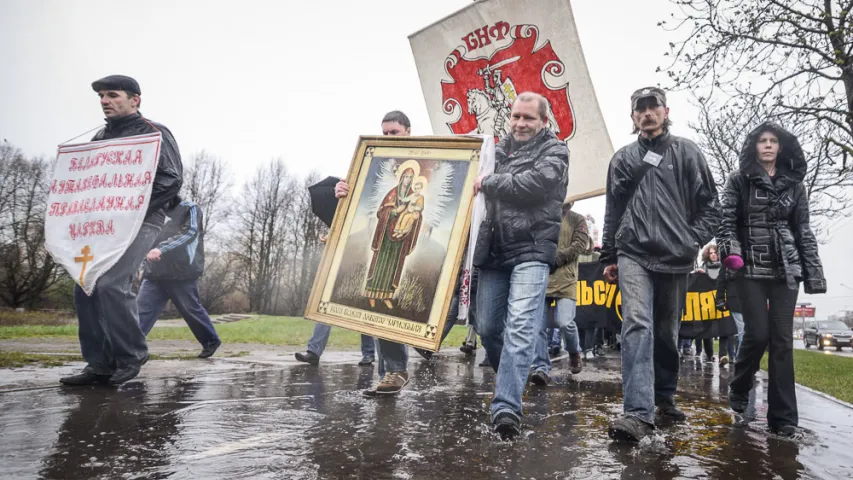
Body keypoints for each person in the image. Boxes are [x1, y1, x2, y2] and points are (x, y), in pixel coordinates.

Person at [600, 87, 720, 442]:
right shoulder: (622, 159)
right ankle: (637, 413)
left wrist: (689, 239)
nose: (647, 113)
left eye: (653, 107)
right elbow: (613, 212)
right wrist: (610, 255)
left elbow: (711, 208)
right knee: (637, 323)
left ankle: (664, 397)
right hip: (633, 251)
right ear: (633, 116)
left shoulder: (687, 152)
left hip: (675, 256)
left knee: (667, 333)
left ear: (666, 111)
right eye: (641, 109)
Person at [61, 75, 183, 386]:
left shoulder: (153, 132)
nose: (105, 101)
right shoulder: (100, 136)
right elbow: (90, 181)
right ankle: (99, 364)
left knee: (114, 284)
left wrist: (131, 210)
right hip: (103, 224)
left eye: (112, 95)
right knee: (85, 286)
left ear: (134, 99)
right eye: (101, 96)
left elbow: (171, 179)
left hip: (144, 220)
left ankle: (130, 356)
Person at [716, 121, 826, 437]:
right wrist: (731, 252)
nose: (767, 145)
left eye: (772, 141)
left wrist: (813, 272)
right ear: (754, 146)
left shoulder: (795, 185)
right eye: (762, 141)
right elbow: (726, 222)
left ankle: (783, 419)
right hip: (748, 266)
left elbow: (803, 229)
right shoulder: (738, 181)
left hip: (785, 268)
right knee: (758, 333)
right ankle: (740, 383)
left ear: (781, 147)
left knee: (782, 341)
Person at [472, 92, 569, 440]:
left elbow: (536, 185)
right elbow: (467, 173)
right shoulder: (493, 152)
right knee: (485, 327)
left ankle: (506, 407)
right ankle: (512, 374)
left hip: (531, 249)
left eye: (528, 118)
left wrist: (490, 182)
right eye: (515, 116)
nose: (520, 123)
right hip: (495, 252)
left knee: (521, 326)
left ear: (544, 121)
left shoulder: (556, 151)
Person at [332, 110, 414, 396]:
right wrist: (343, 191)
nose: (388, 137)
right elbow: (368, 201)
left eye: (395, 132)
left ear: (408, 132)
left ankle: (395, 370)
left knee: (391, 305)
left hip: (400, 242)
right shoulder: (372, 161)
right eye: (385, 132)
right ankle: (387, 374)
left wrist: (405, 215)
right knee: (375, 307)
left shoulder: (431, 156)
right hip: (381, 238)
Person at [137, 199, 221, 358]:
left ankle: (210, 341)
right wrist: (142, 265)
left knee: (191, 310)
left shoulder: (190, 209)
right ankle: (131, 349)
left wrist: (161, 249)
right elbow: (146, 240)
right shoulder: (153, 212)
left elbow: (190, 232)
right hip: (154, 274)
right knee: (141, 311)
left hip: (182, 273)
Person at [530, 201, 590, 385]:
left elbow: (580, 245)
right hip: (543, 279)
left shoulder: (577, 219)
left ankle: (574, 352)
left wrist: (557, 258)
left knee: (564, 322)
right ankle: (541, 367)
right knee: (538, 326)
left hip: (566, 280)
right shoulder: (542, 216)